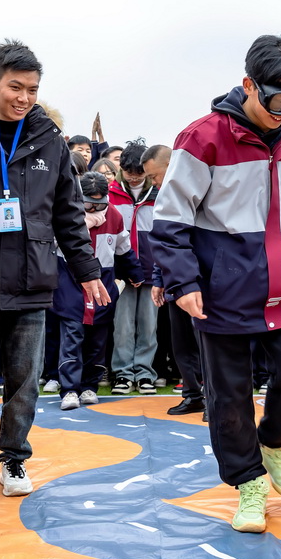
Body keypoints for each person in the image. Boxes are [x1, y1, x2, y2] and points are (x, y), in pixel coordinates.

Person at [150, 32, 281, 534]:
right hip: (221, 291)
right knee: (228, 398)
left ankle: (273, 444)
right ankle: (248, 484)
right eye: (278, 98)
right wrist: (183, 282)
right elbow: (170, 220)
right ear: (249, 85)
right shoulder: (203, 138)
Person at [0, 39, 109, 497]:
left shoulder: (50, 141)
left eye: (32, 90)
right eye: (15, 87)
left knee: (25, 381)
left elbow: (67, 213)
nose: (23, 98)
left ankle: (14, 458)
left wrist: (87, 270)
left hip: (33, 278)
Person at [52, 172, 142, 409]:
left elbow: (124, 249)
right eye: (87, 204)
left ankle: (89, 386)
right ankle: (69, 389)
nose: (93, 210)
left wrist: (135, 273)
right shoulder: (64, 214)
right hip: (70, 284)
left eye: (99, 204)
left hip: (104, 285)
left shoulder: (114, 216)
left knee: (97, 340)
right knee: (72, 337)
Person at [144, 144, 206, 416]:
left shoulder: (202, 190)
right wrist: (159, 279)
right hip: (174, 284)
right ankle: (192, 395)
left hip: (202, 282)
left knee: (207, 345)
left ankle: (214, 400)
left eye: (155, 176)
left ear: (172, 165)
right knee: (180, 345)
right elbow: (164, 243)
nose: (155, 182)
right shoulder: (164, 198)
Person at [108, 142, 158, 394]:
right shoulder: (110, 194)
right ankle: (123, 373)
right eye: (128, 171)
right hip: (122, 273)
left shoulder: (159, 193)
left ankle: (145, 372)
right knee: (123, 326)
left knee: (149, 325)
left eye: (139, 171)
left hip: (152, 271)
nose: (134, 176)